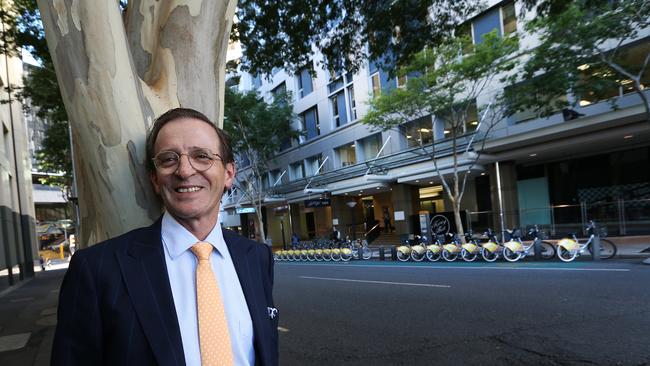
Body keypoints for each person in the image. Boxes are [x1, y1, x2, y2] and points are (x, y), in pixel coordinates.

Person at [51, 108, 278, 366]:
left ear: (228, 173)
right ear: (155, 180)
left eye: (201, 156)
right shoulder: (97, 269)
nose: (184, 170)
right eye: (168, 159)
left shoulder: (257, 258)